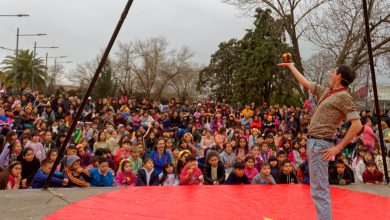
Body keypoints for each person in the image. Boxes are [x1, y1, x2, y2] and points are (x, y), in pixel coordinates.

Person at [279, 63, 362, 220]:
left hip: (320, 144)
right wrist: (291, 66)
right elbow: (305, 82)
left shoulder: (344, 96)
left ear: (338, 76)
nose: (330, 74)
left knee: (319, 190)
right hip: (314, 143)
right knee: (318, 189)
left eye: (332, 71)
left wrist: (338, 147)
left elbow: (357, 124)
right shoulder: (327, 91)